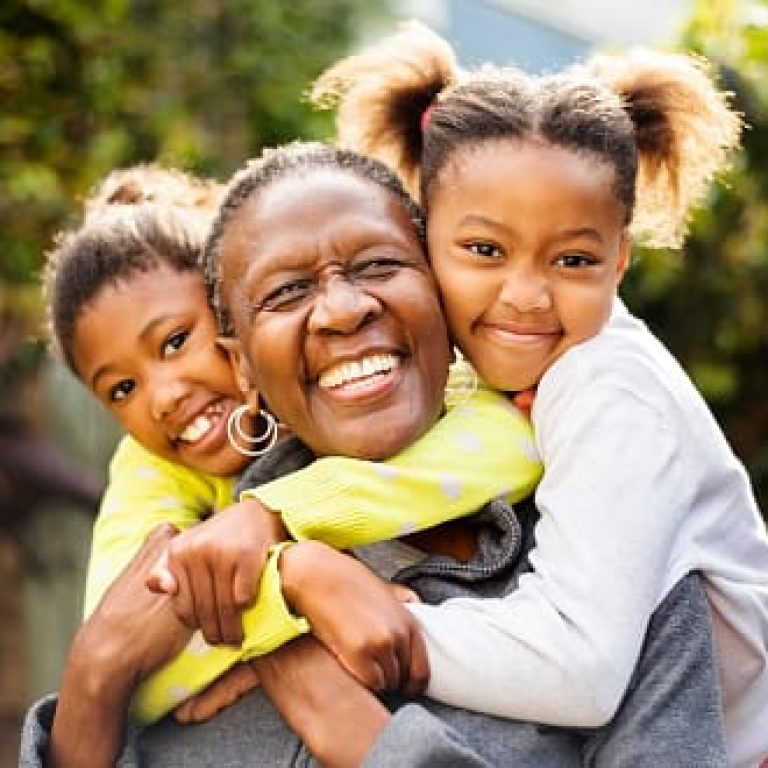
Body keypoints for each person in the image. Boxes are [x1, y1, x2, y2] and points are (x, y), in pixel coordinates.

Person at [22, 143, 727, 767]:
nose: (341, 309)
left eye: (381, 265)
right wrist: (95, 681)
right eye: (287, 291)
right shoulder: (195, 591)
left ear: (444, 294)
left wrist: (368, 741)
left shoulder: (615, 573)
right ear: (240, 364)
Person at [305, 20, 768, 767]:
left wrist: (394, 624)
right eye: (484, 250)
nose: (525, 296)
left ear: (620, 260)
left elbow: (580, 668)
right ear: (422, 233)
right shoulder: (480, 376)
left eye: (574, 259)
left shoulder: (610, 390)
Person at [36, 164, 541, 724]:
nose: (162, 397)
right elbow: (123, 646)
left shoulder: (413, 381)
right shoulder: (150, 467)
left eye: (177, 341)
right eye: (122, 388)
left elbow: (513, 443)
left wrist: (276, 518)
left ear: (237, 314)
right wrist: (292, 595)